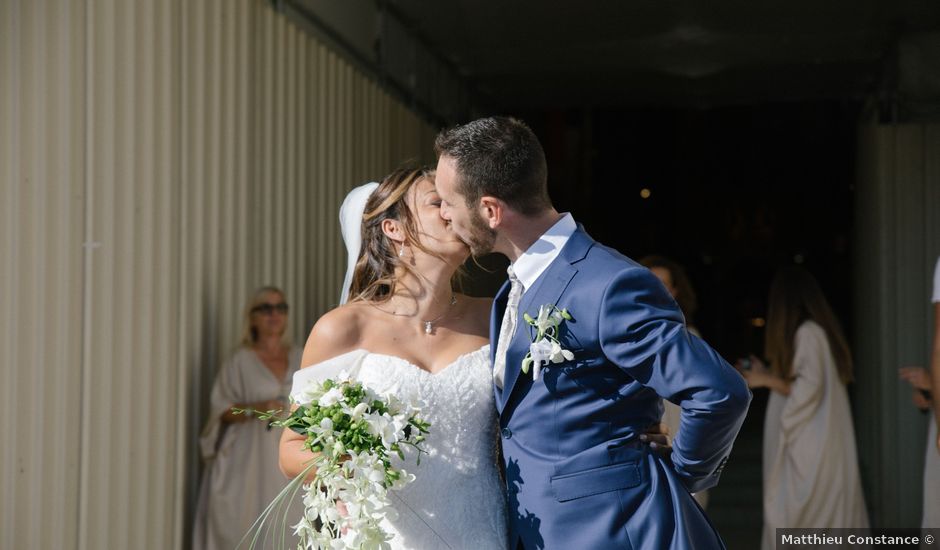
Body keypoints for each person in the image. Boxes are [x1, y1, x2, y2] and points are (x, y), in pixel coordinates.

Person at [435, 116, 751, 549]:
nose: (444, 215)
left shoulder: (608, 285)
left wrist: (678, 476)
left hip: (610, 530)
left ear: (490, 210)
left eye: (447, 201)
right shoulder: (512, 287)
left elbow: (718, 391)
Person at [736, 267, 868, 549]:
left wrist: (764, 379)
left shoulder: (808, 334)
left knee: (798, 522)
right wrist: (769, 373)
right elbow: (801, 382)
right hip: (818, 447)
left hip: (812, 451)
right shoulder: (815, 333)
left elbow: (807, 390)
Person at [193, 286, 303, 550]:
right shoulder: (240, 361)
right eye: (266, 308)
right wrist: (257, 407)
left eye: (280, 308)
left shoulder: (300, 356)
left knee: (287, 526)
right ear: (252, 316)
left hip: (285, 459)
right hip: (247, 460)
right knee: (241, 528)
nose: (274, 314)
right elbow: (221, 410)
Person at [641, 254, 710, 509]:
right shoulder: (620, 333)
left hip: (677, 433)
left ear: (675, 291)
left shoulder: (689, 337)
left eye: (664, 283)